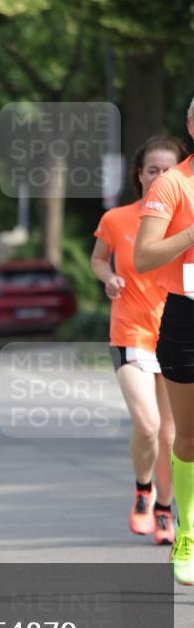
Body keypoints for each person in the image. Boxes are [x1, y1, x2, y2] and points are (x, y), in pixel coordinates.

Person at [91, 136, 186, 544]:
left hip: (176, 330)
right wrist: (108, 277)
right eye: (153, 169)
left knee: (170, 433)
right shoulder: (117, 220)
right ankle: (143, 488)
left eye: (168, 169)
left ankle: (165, 509)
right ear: (139, 175)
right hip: (131, 331)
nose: (160, 176)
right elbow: (98, 257)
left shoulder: (186, 217)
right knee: (147, 426)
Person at [135, 99, 194, 586]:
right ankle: (187, 532)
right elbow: (143, 256)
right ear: (192, 125)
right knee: (187, 435)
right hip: (187, 314)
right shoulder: (173, 183)